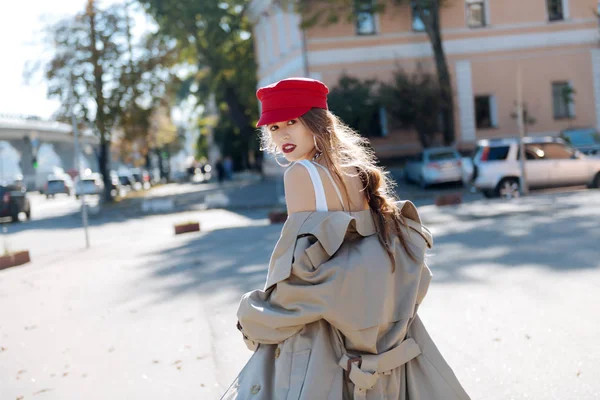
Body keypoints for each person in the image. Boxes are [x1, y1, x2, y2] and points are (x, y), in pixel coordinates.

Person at [223, 78, 471, 399]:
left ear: (315, 121)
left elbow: (300, 273)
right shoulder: (355, 170)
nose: (282, 134)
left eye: (291, 122)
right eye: (273, 127)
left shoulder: (300, 175)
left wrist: (255, 317)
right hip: (377, 330)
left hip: (326, 338)